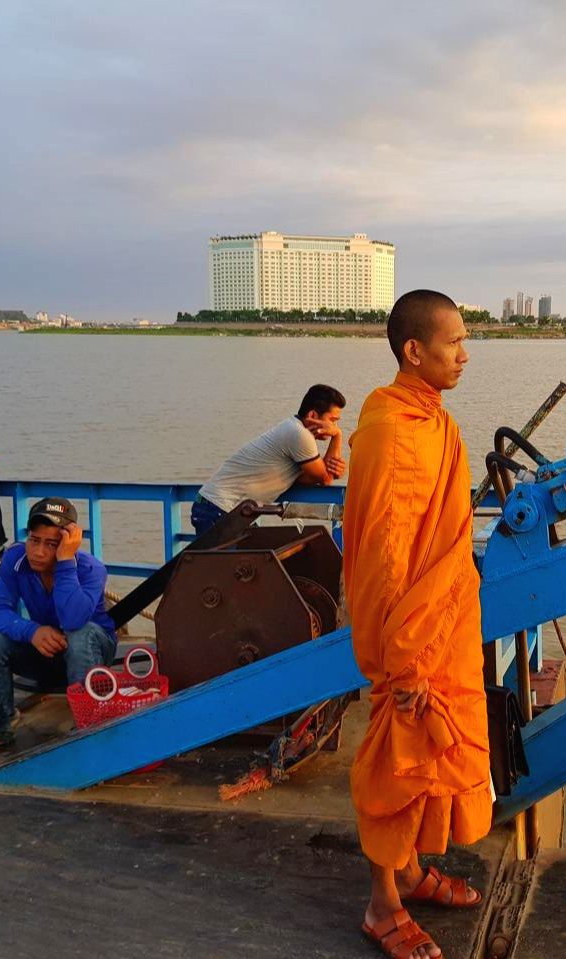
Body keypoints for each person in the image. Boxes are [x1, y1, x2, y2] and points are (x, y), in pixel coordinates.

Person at [342, 291, 491, 959]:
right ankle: (382, 904)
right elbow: (382, 557)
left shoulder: (434, 421)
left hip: (442, 624)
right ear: (413, 351)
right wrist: (403, 662)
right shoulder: (392, 431)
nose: (463, 355)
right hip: (409, 638)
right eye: (453, 342)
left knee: (432, 756)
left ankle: (408, 871)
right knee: (397, 764)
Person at [0, 497, 116, 748]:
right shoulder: (15, 560)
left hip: (92, 654)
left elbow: (72, 620)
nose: (38, 552)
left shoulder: (90, 570)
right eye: (34, 540)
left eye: (52, 544)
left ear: (69, 542)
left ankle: (88, 727)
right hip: (46, 651)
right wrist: (32, 631)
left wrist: (65, 562)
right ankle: (0, 724)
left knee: (79, 634)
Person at [191, 384, 347, 535]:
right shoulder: (300, 435)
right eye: (332, 420)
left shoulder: (293, 428)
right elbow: (325, 479)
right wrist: (338, 436)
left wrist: (332, 470)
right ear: (312, 416)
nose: (334, 426)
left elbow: (306, 478)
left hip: (229, 509)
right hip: (220, 508)